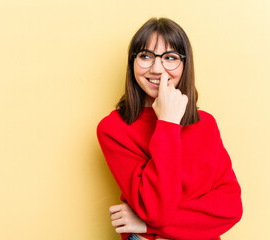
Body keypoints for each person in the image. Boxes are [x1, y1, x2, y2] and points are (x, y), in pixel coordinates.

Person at [96, 17, 243, 240]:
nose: (157, 68)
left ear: (185, 65)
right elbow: (156, 210)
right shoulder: (113, 129)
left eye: (170, 58)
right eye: (145, 56)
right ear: (132, 63)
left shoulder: (206, 124)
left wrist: (146, 225)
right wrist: (168, 123)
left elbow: (230, 208)